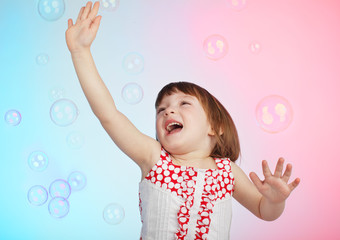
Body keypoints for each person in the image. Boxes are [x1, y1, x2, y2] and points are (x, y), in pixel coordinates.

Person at [66, 2, 300, 239]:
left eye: (183, 104)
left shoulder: (227, 171)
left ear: (214, 127)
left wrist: (274, 200)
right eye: (161, 109)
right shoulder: (155, 157)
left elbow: (264, 210)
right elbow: (109, 115)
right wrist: (80, 51)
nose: (168, 112)